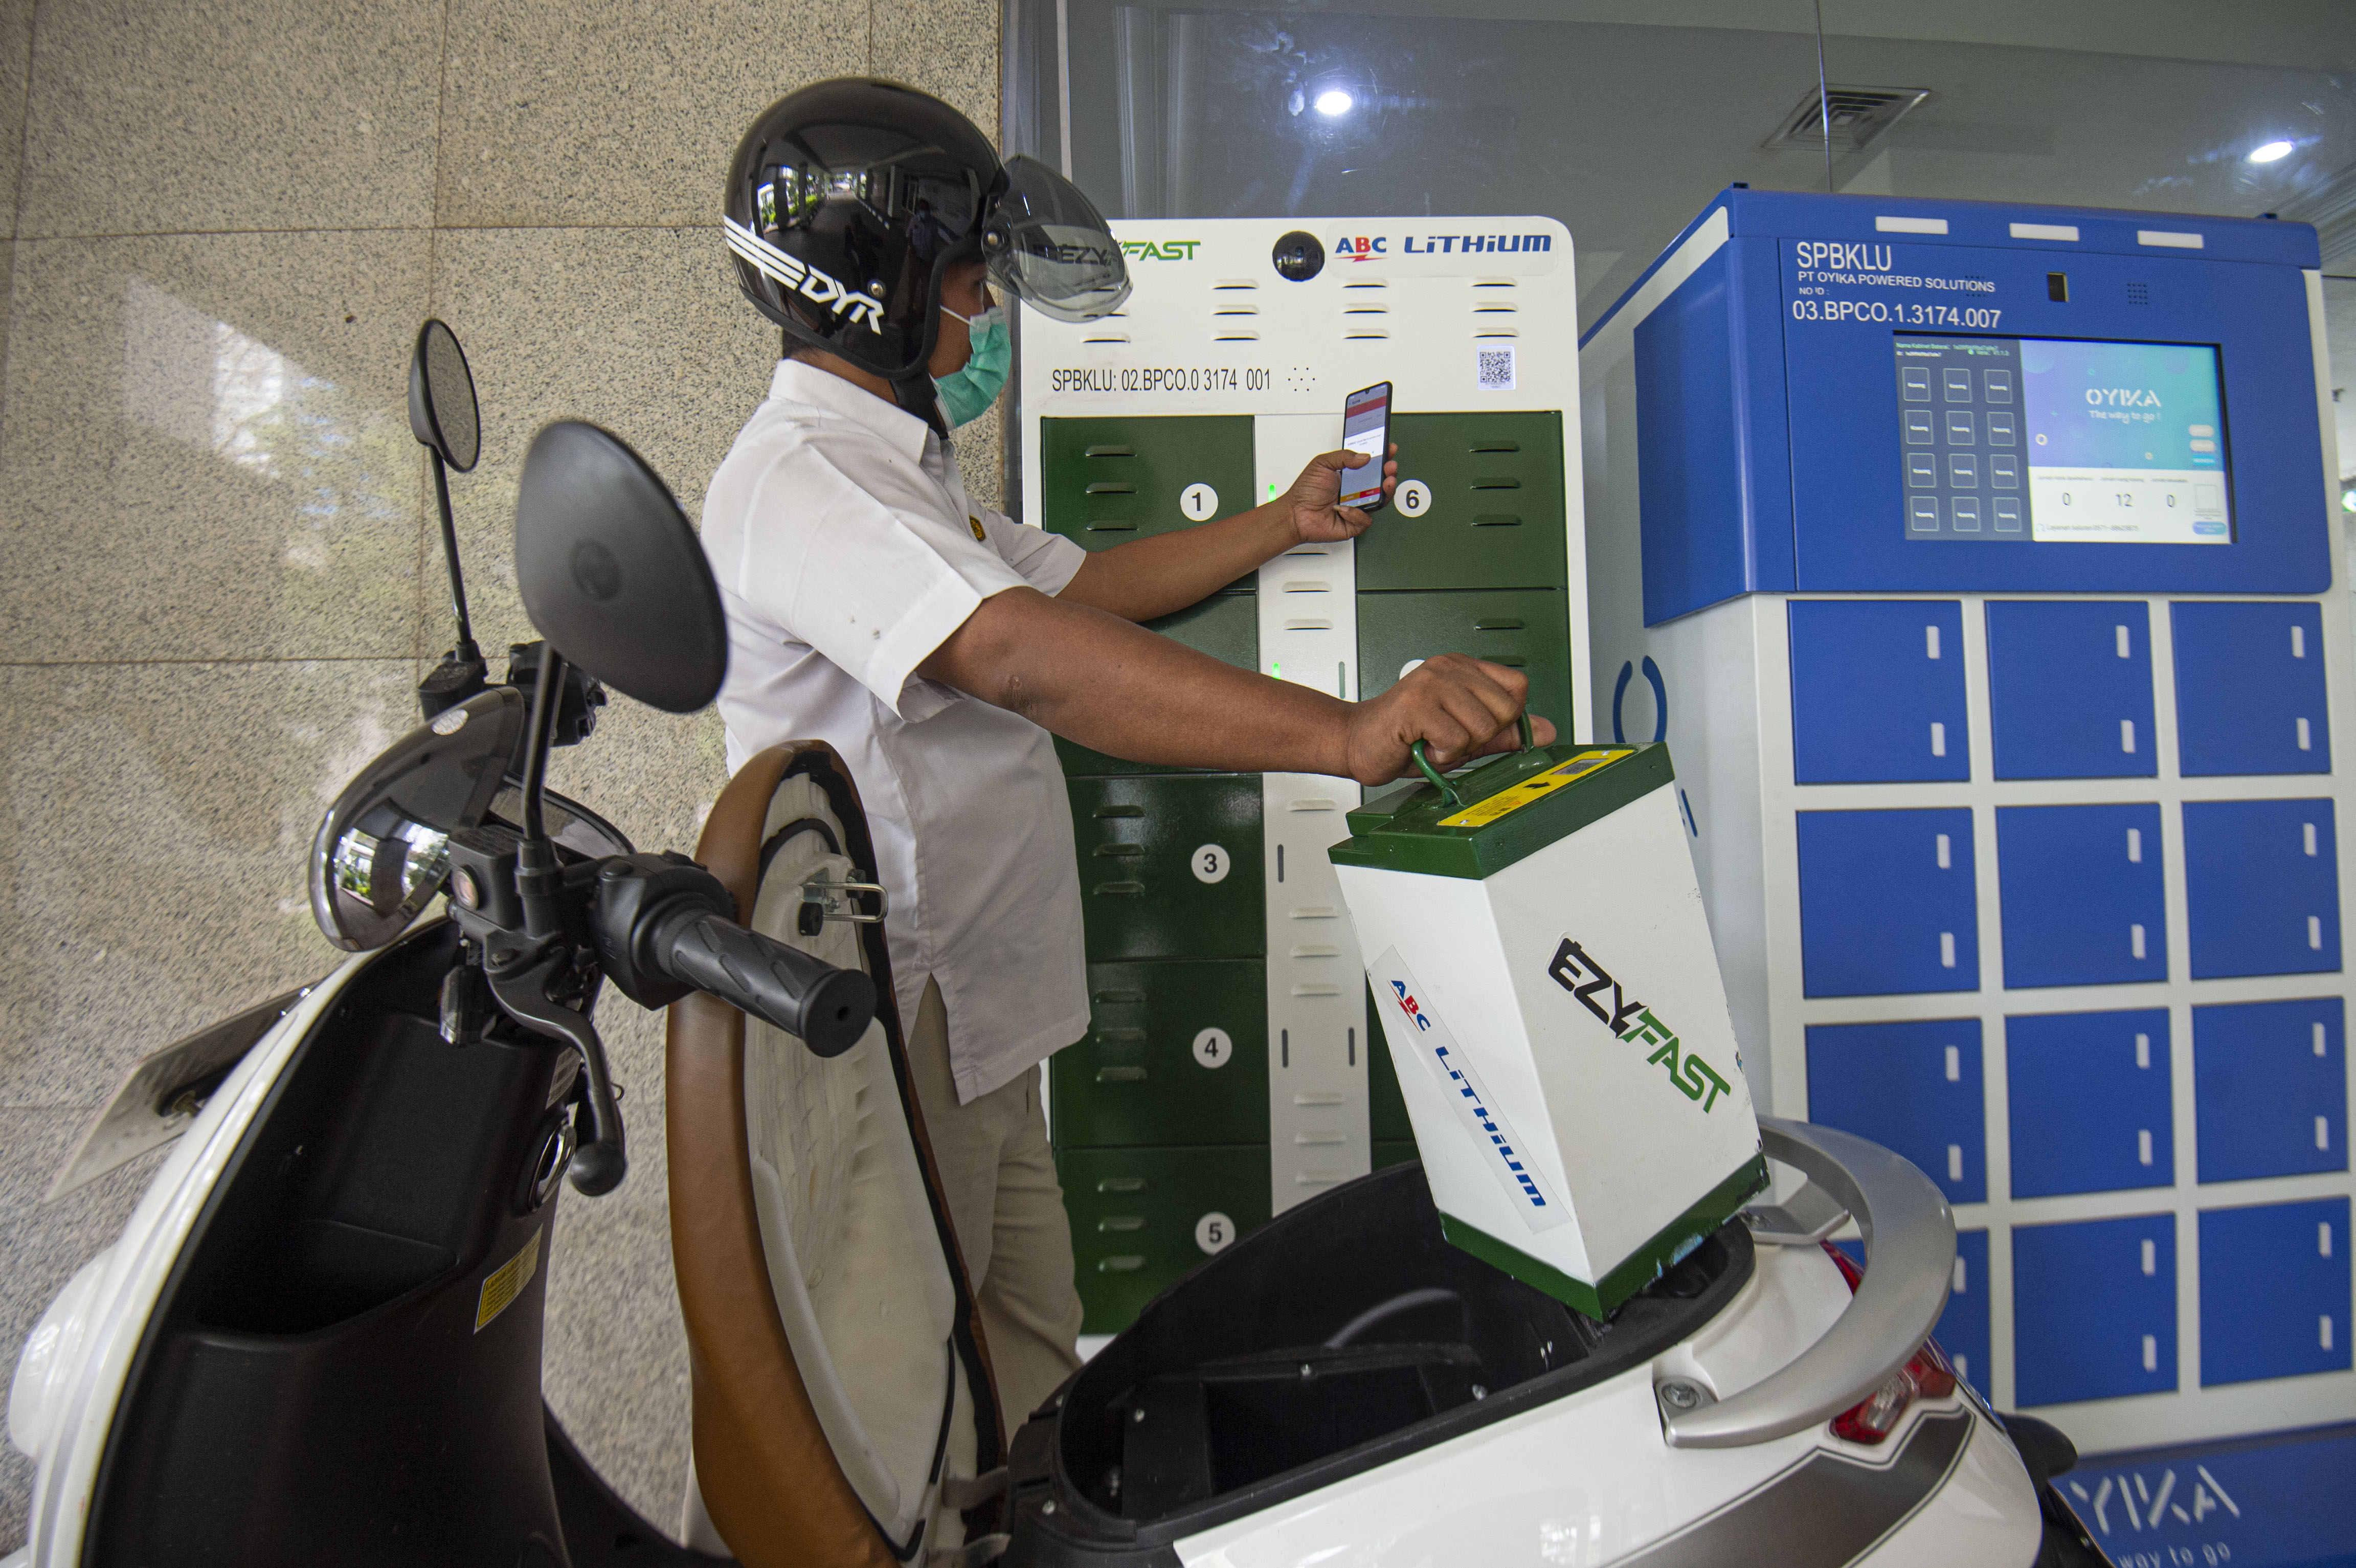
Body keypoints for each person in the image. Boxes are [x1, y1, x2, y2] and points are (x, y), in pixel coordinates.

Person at [705, 78, 1552, 1423]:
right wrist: (1344, 734)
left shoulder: (903, 475)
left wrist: (1281, 521)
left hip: (978, 1023)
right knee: (884, 1408)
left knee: (1025, 1359)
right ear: (881, 288)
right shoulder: (802, 480)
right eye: (971, 280)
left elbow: (1080, 592)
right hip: (891, 1027)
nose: (986, 313)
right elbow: (1016, 654)